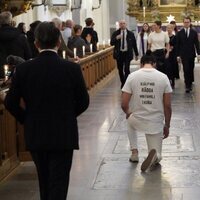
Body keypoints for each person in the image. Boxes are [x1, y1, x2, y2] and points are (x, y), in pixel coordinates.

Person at [4, 22, 89, 200]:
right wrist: (66, 115)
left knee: (43, 180)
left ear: (35, 44)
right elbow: (83, 102)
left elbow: (11, 102)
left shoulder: (24, 69)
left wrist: (27, 119)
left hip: (36, 133)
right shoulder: (71, 68)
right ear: (59, 42)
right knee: (59, 182)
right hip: (63, 133)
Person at [121, 51, 172, 172]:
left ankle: (134, 153)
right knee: (158, 154)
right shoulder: (163, 77)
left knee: (129, 120)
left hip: (137, 119)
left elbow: (124, 103)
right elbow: (167, 106)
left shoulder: (132, 76)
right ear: (154, 64)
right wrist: (167, 125)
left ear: (141, 64)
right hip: (155, 122)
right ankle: (154, 156)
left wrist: (128, 112)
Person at [0, 11, 32, 78]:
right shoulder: (21, 36)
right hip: (18, 71)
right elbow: (28, 55)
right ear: (11, 21)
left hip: (1, 72)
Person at [110, 19, 139, 88]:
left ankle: (127, 83)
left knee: (126, 69)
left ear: (126, 24)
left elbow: (134, 44)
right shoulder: (115, 33)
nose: (122, 25)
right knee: (120, 69)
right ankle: (123, 82)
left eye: (124, 23)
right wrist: (116, 38)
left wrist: (136, 54)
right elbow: (111, 43)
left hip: (127, 54)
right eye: (121, 24)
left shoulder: (130, 34)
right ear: (119, 25)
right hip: (119, 54)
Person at [176, 17, 200, 93]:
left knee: (190, 69)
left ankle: (189, 83)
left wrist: (199, 54)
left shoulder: (194, 32)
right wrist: (178, 55)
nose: (186, 23)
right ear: (183, 23)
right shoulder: (180, 33)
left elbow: (196, 43)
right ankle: (187, 86)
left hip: (191, 54)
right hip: (183, 54)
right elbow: (178, 45)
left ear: (190, 23)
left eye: (188, 22)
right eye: (185, 22)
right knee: (186, 69)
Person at [165, 24, 177, 88]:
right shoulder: (164, 36)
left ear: (172, 29)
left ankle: (172, 82)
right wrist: (166, 48)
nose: (169, 29)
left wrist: (171, 48)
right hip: (166, 54)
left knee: (172, 68)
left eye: (170, 28)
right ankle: (166, 81)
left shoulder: (175, 37)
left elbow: (176, 45)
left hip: (172, 55)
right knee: (166, 68)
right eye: (168, 28)